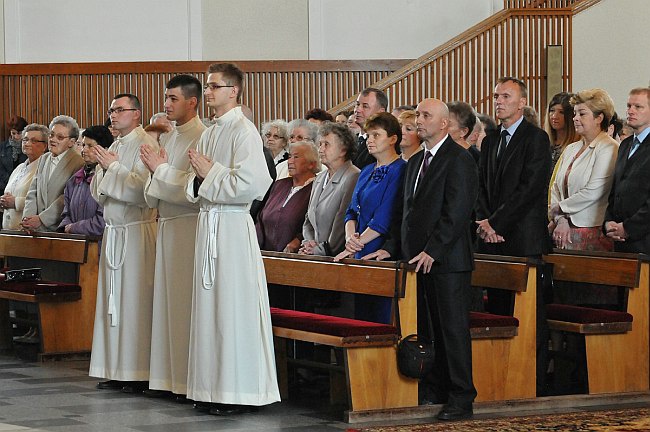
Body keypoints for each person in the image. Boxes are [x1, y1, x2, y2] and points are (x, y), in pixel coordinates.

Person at [364, 99, 478, 421]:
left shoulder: (459, 159)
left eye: (426, 116)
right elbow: (407, 213)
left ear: (444, 124)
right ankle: (435, 389)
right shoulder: (415, 161)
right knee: (428, 328)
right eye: (417, 116)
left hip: (447, 260)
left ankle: (461, 397)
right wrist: (394, 247)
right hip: (417, 259)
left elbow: (457, 212)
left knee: (452, 330)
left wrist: (434, 249)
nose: (419, 121)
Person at [185, 62, 279, 415]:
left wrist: (211, 173)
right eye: (207, 86)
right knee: (210, 310)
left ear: (233, 90)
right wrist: (199, 179)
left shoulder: (244, 130)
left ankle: (238, 391)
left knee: (232, 309)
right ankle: (211, 388)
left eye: (213, 86)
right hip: (209, 223)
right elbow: (192, 182)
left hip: (233, 228)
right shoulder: (209, 132)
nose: (207, 92)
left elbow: (254, 185)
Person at [475, 77, 551, 396]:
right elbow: (480, 184)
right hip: (492, 239)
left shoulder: (536, 139)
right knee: (498, 311)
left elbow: (530, 189)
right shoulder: (491, 139)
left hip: (522, 238)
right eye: (496, 96)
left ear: (522, 103)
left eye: (506, 96)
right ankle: (498, 377)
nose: (499, 101)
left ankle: (531, 381)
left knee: (528, 315)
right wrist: (483, 220)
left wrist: (497, 223)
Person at [140, 75, 206, 399]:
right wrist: (156, 171)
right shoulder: (170, 138)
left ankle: (184, 380)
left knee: (182, 306)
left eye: (173, 99)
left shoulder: (202, 137)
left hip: (187, 228)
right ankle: (166, 379)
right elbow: (157, 188)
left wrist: (161, 171)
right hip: (167, 225)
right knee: (165, 306)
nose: (166, 104)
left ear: (192, 102)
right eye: (166, 98)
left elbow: (195, 188)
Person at [89, 93, 159, 393]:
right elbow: (98, 192)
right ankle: (116, 367)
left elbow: (145, 191)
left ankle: (138, 370)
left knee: (134, 302)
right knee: (113, 301)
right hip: (114, 231)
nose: (113, 116)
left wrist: (113, 169)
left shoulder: (148, 145)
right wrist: (107, 169)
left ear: (137, 114)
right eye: (111, 111)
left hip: (136, 231)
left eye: (120, 110)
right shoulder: (115, 145)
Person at [337, 112, 406, 323]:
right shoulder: (366, 170)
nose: (370, 140)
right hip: (359, 247)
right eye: (368, 135)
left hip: (379, 249)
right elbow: (351, 210)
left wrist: (354, 244)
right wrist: (350, 239)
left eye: (376, 135)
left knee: (380, 318)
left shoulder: (401, 169)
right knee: (360, 317)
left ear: (393, 139)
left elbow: (385, 216)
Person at [549, 89, 618, 251]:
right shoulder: (571, 148)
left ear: (599, 118)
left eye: (582, 114)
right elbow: (555, 187)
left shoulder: (609, 147)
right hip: (563, 228)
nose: (575, 118)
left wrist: (559, 208)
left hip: (592, 231)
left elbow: (594, 191)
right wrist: (561, 219)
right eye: (574, 113)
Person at [299, 122, 360, 256]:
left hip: (334, 257)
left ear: (343, 149)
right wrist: (308, 243)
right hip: (313, 253)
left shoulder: (353, 176)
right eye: (320, 144)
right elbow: (308, 219)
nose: (320, 149)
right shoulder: (319, 178)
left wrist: (320, 250)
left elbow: (341, 222)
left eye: (326, 144)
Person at [604, 87, 650, 253]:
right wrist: (608, 221)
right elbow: (616, 188)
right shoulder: (625, 145)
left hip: (644, 240)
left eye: (638, 107)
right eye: (629, 106)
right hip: (619, 240)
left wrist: (628, 228)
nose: (630, 111)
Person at [21, 116, 85, 233]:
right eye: (51, 135)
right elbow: (33, 192)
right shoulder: (43, 159)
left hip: (58, 228)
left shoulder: (79, 162)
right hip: (34, 228)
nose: (53, 139)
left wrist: (42, 219)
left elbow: (66, 198)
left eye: (60, 137)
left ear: (71, 142)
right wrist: (28, 219)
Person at [256, 141, 319, 252]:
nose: (290, 161)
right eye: (289, 156)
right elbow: (261, 217)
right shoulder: (279, 185)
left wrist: (299, 240)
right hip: (264, 253)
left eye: (296, 157)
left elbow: (314, 225)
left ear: (311, 164)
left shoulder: (316, 188)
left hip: (296, 256)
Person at [57, 126, 113, 236]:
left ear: (105, 149)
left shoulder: (108, 178)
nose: (84, 150)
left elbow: (104, 220)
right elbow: (66, 213)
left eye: (90, 146)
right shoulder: (74, 180)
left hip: (100, 245)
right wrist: (66, 227)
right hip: (75, 244)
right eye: (83, 145)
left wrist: (74, 228)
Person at [1, 124, 48, 229]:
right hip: (8, 230)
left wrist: (15, 202)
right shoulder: (20, 167)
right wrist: (3, 201)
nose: (27, 143)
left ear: (45, 146)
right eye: (25, 140)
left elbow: (44, 202)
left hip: (27, 230)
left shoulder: (45, 168)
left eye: (34, 141)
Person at [352, 88, 388, 169]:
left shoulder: (382, 144)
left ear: (380, 112)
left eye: (365, 106)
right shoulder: (351, 140)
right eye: (357, 104)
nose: (358, 110)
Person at [545, 92, 580, 168]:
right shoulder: (544, 143)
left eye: (561, 112)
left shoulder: (578, 146)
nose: (554, 116)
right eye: (552, 110)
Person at [0, 116, 28, 200]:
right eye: (13, 133)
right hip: (3, 189)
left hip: (22, 190)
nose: (16, 137)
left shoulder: (29, 147)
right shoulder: (2, 148)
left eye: (19, 133)